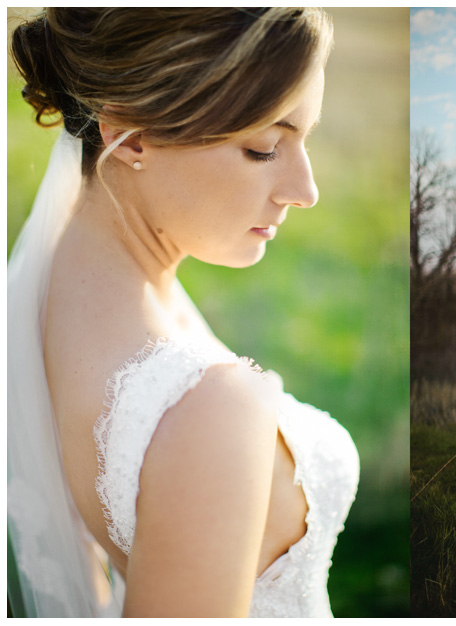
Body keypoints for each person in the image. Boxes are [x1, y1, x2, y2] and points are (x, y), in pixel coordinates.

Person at [8, 8, 359, 617]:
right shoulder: (208, 410)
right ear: (133, 136)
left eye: (305, 139)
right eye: (263, 148)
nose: (305, 191)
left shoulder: (57, 288)